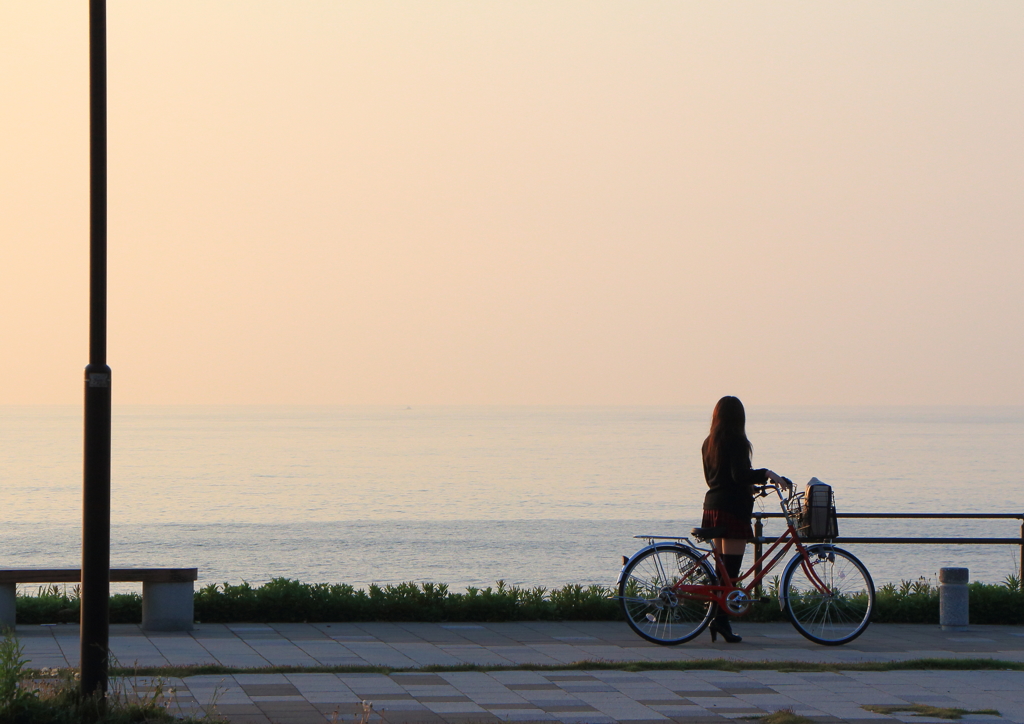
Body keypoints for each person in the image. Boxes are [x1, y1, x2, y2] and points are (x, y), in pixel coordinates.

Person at [701, 395, 787, 643]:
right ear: (739, 417)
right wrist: (768, 474)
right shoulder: (737, 440)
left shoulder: (709, 442)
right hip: (733, 510)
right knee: (732, 571)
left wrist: (748, 484)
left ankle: (719, 620)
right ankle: (721, 620)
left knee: (722, 573)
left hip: (712, 507)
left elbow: (715, 478)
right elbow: (740, 475)